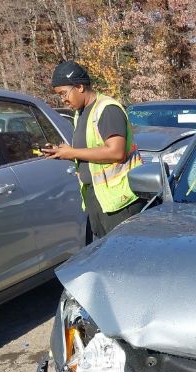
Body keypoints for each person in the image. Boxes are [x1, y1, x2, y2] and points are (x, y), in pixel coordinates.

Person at [44, 61, 143, 239]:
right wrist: (62, 152)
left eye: (64, 94)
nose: (63, 100)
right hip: (98, 198)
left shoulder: (107, 109)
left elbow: (116, 152)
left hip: (120, 203)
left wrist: (72, 152)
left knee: (121, 258)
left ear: (79, 87)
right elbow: (91, 151)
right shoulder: (80, 113)